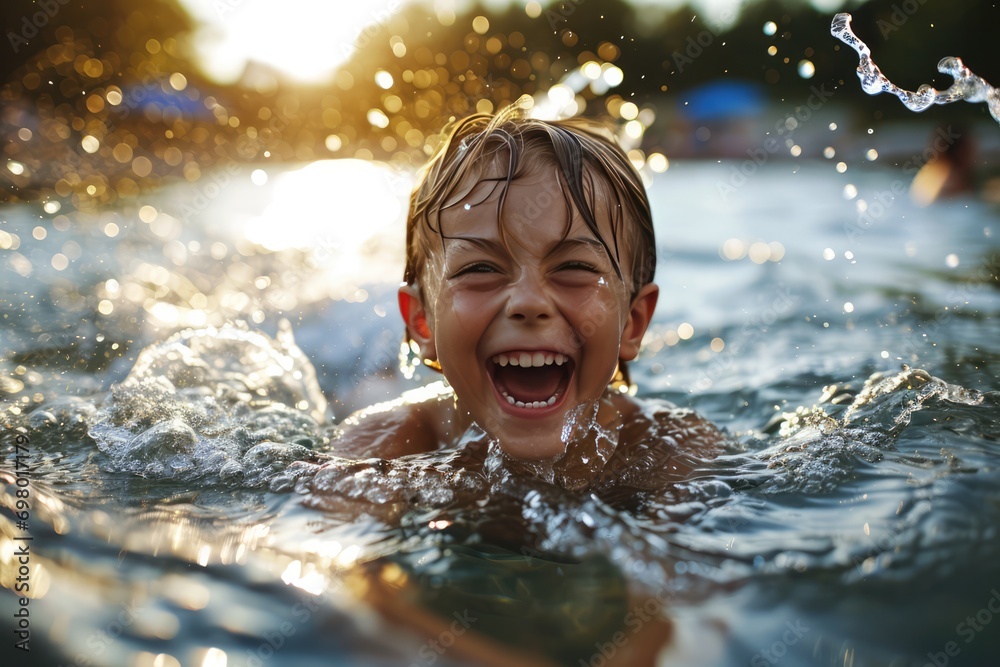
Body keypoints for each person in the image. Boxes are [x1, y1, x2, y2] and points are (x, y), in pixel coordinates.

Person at [331, 102, 722, 492]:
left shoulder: (672, 449)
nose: (529, 303)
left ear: (633, 322)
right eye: (480, 270)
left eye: (575, 269)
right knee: (370, 390)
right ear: (422, 320)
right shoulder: (387, 447)